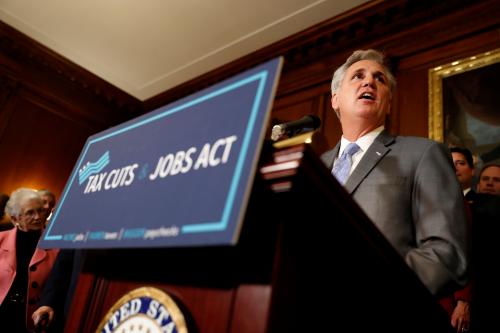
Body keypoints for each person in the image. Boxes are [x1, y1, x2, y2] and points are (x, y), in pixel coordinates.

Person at [321, 49, 468, 297]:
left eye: (380, 79)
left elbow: (447, 253)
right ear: (335, 99)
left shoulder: (423, 154)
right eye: (358, 76)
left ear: (388, 103)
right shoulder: (317, 166)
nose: (369, 81)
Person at [0, 188, 59, 332]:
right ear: (15, 218)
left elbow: (56, 286)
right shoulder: (1, 239)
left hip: (28, 320)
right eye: (30, 213)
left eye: (40, 210)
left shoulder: (55, 246)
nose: (38, 216)